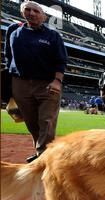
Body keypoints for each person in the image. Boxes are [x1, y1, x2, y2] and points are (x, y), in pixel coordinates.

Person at [5, 1, 67, 163]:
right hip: (20, 83)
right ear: (22, 12)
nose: (31, 13)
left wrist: (57, 80)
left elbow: (61, 60)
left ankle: (43, 158)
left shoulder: (53, 36)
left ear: (43, 16)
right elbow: (8, 56)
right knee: (31, 122)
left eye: (36, 11)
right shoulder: (13, 31)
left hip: (47, 84)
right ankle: (42, 152)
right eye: (27, 10)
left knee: (46, 121)